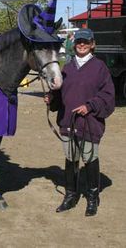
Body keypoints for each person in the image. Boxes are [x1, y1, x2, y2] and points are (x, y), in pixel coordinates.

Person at [44, 28, 115, 216]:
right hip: (68, 123)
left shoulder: (100, 67)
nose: (81, 45)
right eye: (79, 42)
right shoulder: (66, 67)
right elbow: (61, 95)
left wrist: (89, 106)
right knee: (71, 159)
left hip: (89, 124)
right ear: (74, 44)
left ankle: (92, 198)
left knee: (90, 159)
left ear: (92, 44)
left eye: (86, 41)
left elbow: (108, 96)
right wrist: (52, 98)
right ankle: (70, 195)